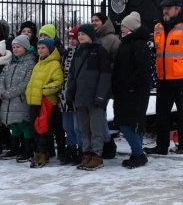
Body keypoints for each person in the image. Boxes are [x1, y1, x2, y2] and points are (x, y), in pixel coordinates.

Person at [144, 0, 183, 155]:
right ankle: (161, 146)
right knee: (161, 114)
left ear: (177, 10)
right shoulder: (158, 27)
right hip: (164, 79)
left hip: (182, 79)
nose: (165, 11)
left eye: (168, 8)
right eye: (164, 8)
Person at [65, 24, 112, 171]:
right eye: (79, 35)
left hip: (95, 98)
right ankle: (86, 154)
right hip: (80, 98)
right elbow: (72, 76)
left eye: (83, 34)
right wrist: (69, 94)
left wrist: (101, 96)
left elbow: (105, 76)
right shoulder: (78, 53)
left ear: (91, 35)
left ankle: (97, 155)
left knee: (96, 128)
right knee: (83, 129)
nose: (80, 37)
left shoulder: (100, 52)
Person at [112, 12, 152, 168]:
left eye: (124, 26)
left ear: (132, 28)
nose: (121, 28)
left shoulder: (137, 44)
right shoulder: (129, 43)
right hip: (127, 90)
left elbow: (142, 70)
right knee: (131, 123)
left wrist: (129, 85)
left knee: (128, 123)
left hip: (133, 91)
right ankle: (137, 153)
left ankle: (138, 154)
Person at [0, 35, 36, 163]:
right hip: (8, 100)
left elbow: (26, 82)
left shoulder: (30, 63)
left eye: (18, 47)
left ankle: (27, 149)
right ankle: (14, 148)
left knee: (24, 124)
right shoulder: (10, 63)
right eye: (13, 47)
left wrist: (9, 93)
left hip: (20, 100)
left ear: (25, 47)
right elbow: (1, 79)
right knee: (14, 125)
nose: (15, 49)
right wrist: (2, 92)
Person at [25, 37, 64, 168]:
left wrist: (45, 90)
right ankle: (38, 151)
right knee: (34, 128)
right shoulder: (38, 64)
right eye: (39, 48)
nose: (40, 50)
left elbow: (58, 81)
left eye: (43, 48)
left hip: (45, 101)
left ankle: (44, 153)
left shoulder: (54, 64)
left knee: (42, 128)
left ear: (50, 49)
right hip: (34, 101)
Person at [91, 12, 120, 158]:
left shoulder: (112, 40)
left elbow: (118, 61)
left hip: (105, 81)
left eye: (96, 20)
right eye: (92, 20)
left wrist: (106, 69)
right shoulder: (93, 39)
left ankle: (107, 143)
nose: (94, 23)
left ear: (104, 22)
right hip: (93, 82)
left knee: (99, 113)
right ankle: (103, 142)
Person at [39, 24, 67, 163]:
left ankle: (62, 149)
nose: (43, 38)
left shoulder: (59, 52)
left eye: (46, 35)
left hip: (56, 94)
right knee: (47, 124)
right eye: (41, 35)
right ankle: (49, 150)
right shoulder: (40, 55)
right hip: (44, 95)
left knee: (58, 125)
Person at [56, 26, 82, 165]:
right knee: (67, 125)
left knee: (78, 126)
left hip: (76, 93)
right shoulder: (66, 53)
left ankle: (81, 149)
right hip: (64, 93)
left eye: (74, 38)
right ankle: (71, 147)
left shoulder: (81, 53)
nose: (72, 41)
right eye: (70, 38)